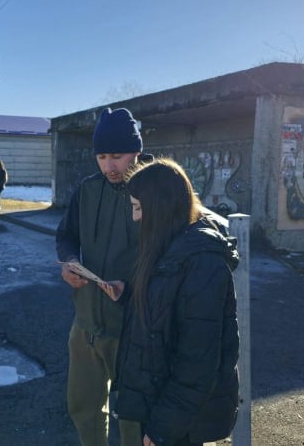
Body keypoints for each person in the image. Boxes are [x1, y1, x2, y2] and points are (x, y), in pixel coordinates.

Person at [100, 158, 240, 446]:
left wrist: (164, 426)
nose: (135, 217)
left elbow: (198, 361)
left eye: (139, 208)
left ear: (160, 208)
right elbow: (164, 316)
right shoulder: (167, 248)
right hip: (158, 405)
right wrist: (128, 295)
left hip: (178, 422)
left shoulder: (202, 264)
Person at [56, 107, 150, 446]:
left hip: (133, 328)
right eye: (102, 156)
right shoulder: (87, 189)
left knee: (133, 416)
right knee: (82, 406)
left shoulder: (155, 189)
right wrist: (68, 262)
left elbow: (172, 260)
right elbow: (66, 235)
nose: (109, 165)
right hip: (85, 325)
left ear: (136, 152)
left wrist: (133, 287)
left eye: (118, 156)